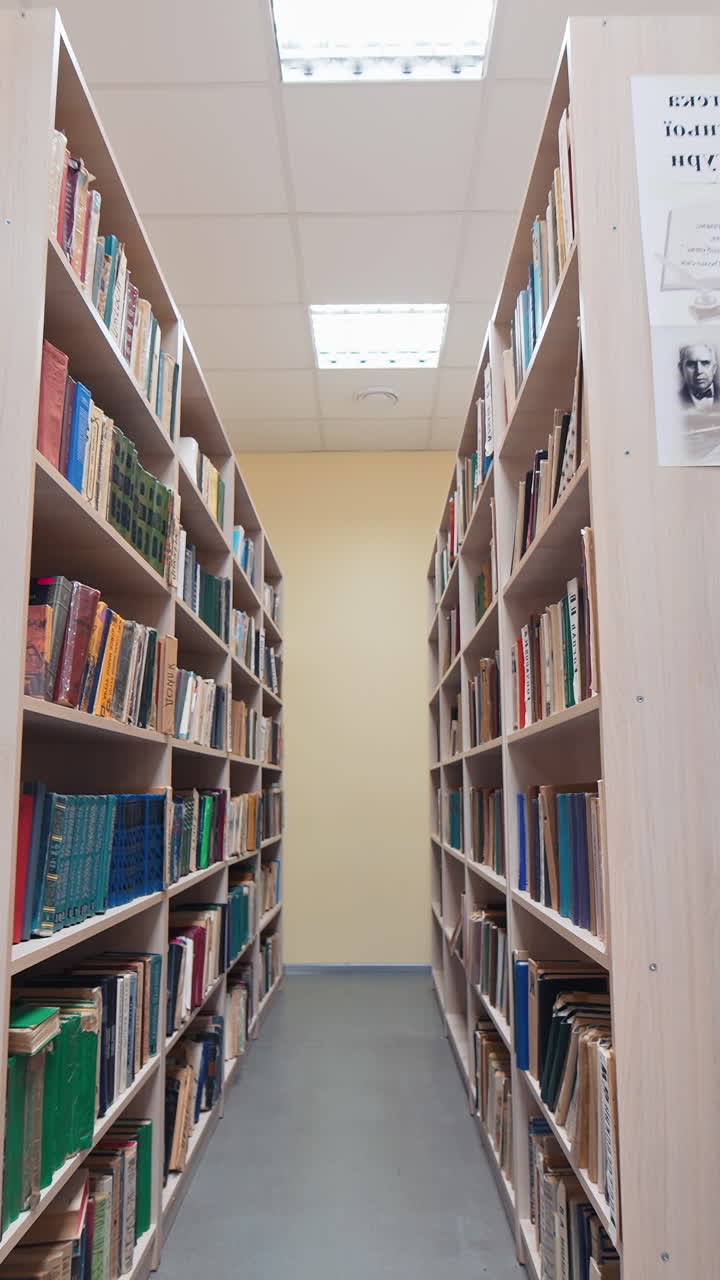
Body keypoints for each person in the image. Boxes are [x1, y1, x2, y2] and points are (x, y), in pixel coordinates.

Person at [678, 343, 720, 408]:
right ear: (681, 369)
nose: (699, 371)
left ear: (714, 368)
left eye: (705, 363)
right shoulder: (674, 399)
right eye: (691, 364)